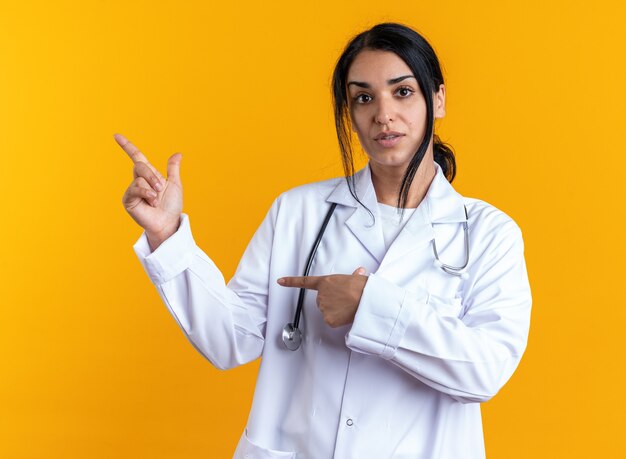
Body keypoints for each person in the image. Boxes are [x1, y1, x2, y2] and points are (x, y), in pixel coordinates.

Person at [116, 22, 531, 459]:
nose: (383, 114)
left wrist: (369, 304)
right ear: (349, 113)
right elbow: (229, 340)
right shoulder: (298, 212)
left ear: (438, 99)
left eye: (403, 92)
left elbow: (484, 372)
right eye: (364, 97)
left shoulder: (487, 232)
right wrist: (166, 234)